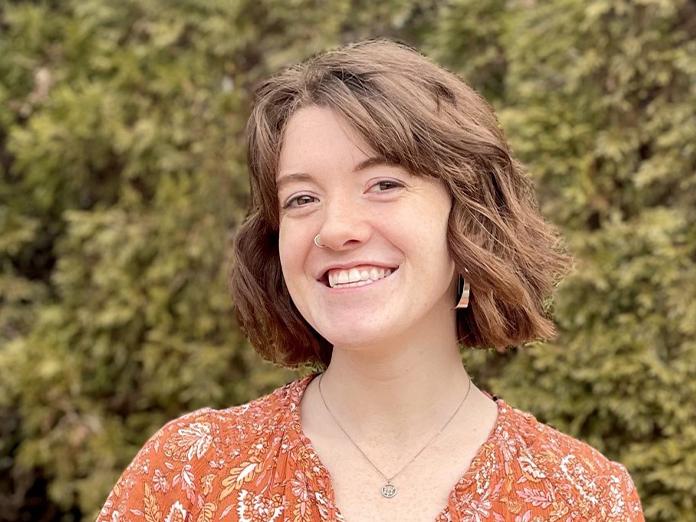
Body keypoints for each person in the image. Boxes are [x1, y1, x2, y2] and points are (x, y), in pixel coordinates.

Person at [97, 39, 644, 521]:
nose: (335, 230)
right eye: (302, 198)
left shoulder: (585, 499)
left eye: (383, 183)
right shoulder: (188, 473)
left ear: (469, 219)